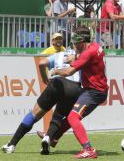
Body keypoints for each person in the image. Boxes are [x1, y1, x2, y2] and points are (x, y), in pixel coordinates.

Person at [41, 26, 108, 159]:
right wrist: (76, 56)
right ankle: (54, 137)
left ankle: (88, 149)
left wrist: (54, 71)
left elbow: (68, 72)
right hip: (93, 89)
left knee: (73, 117)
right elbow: (88, 56)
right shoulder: (95, 46)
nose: (73, 45)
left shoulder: (87, 53)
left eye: (75, 42)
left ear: (82, 40)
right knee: (72, 116)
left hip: (94, 92)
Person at [1, 48, 81, 154]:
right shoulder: (82, 56)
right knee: (58, 117)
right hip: (74, 87)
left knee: (34, 114)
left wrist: (44, 78)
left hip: (56, 83)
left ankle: (12, 144)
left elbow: (42, 63)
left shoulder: (60, 54)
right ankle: (47, 138)